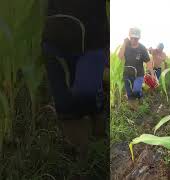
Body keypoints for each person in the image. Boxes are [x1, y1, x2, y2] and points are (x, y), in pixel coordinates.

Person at [41, 0, 108, 175]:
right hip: (55, 35)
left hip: (92, 38)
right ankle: (81, 157)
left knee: (87, 93)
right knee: (64, 104)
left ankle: (99, 132)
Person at [118, 27, 155, 110]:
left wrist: (152, 74)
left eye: (136, 38)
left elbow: (148, 62)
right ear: (129, 37)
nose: (134, 40)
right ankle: (134, 110)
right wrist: (124, 43)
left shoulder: (142, 48)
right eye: (132, 38)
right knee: (130, 94)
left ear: (139, 38)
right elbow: (120, 57)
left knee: (136, 90)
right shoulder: (126, 46)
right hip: (127, 74)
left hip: (139, 74)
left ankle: (140, 95)